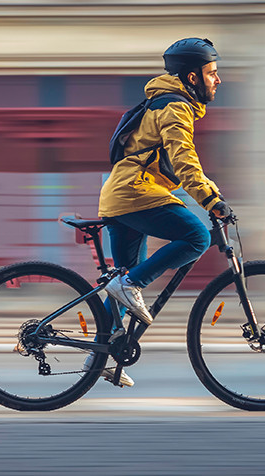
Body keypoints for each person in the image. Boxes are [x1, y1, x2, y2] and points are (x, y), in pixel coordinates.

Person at [86, 37, 234, 387]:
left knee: (122, 287)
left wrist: (212, 192)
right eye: (212, 73)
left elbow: (177, 163)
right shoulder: (175, 106)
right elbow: (184, 160)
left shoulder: (164, 102)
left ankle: (99, 358)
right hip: (135, 193)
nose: (218, 80)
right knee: (195, 237)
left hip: (121, 196)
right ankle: (131, 284)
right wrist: (210, 201)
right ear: (193, 77)